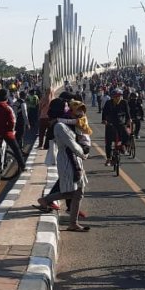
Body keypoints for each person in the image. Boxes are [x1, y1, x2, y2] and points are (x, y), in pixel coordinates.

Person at [34, 99, 90, 232]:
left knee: (79, 191)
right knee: (71, 191)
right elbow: (72, 145)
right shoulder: (60, 127)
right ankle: (46, 199)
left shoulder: (71, 125)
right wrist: (84, 154)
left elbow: (83, 137)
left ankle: (73, 223)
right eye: (66, 108)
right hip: (67, 161)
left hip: (75, 160)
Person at [0, 89, 27, 173]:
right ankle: (23, 167)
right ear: (6, 98)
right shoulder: (7, 108)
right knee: (16, 149)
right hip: (6, 133)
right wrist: (11, 130)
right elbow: (13, 121)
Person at [101, 88, 131, 166]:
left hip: (121, 123)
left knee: (127, 135)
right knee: (108, 141)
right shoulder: (108, 103)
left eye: (119, 96)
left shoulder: (124, 102)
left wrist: (128, 120)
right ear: (112, 97)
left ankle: (123, 145)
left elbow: (128, 113)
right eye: (115, 96)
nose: (117, 98)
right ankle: (108, 159)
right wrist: (104, 120)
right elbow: (104, 113)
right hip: (110, 123)